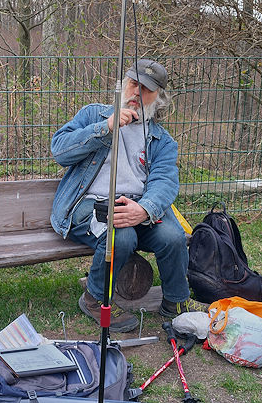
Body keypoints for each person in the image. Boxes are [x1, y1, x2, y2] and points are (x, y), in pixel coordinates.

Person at [50, 59, 206, 332]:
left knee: (173, 237)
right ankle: (94, 298)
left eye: (146, 89)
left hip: (138, 206)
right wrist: (105, 128)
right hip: (89, 203)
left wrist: (144, 209)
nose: (137, 93)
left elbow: (165, 182)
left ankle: (176, 302)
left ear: (159, 97)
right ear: (123, 85)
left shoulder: (163, 141)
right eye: (134, 84)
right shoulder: (93, 115)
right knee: (120, 236)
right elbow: (59, 151)